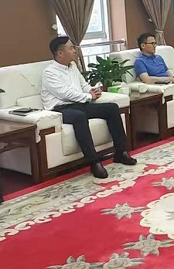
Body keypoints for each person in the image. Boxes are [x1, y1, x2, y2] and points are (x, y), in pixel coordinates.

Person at [41, 36, 137, 179]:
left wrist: (92, 91)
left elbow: (83, 85)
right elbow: (64, 94)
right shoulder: (49, 72)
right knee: (79, 117)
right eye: (71, 48)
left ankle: (121, 152)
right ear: (60, 53)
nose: (75, 50)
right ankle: (94, 162)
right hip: (61, 109)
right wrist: (88, 96)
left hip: (79, 104)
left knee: (112, 108)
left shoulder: (73, 66)